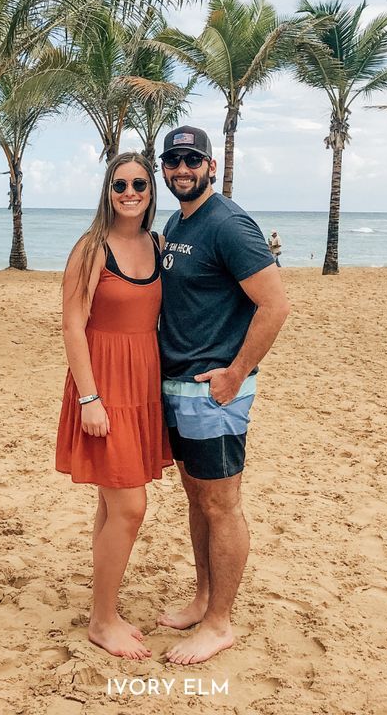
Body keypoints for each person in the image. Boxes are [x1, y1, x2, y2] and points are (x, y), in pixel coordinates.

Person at [156, 125, 291, 664]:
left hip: (214, 393)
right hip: (177, 386)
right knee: (197, 500)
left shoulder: (230, 225)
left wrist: (237, 373)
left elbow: (275, 306)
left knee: (221, 504)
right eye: (173, 161)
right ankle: (203, 599)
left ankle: (219, 623)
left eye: (192, 160)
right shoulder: (177, 218)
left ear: (211, 166)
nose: (182, 169)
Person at [55, 152, 172, 660]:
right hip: (102, 386)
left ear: (151, 190)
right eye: (120, 183)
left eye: (140, 183)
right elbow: (72, 325)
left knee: (111, 504)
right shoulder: (91, 248)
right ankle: (102, 619)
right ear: (107, 189)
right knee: (130, 505)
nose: (130, 191)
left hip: (143, 383)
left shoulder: (159, 244)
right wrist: (89, 398)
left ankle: (106, 606)